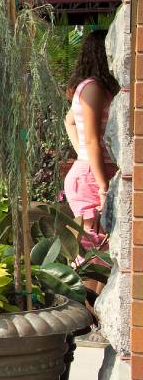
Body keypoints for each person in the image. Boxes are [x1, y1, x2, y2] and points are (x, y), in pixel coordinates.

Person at [63, 30, 120, 249]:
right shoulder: (93, 88)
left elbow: (69, 122)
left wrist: (82, 156)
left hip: (92, 173)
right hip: (92, 180)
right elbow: (93, 141)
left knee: (103, 253)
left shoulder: (96, 88)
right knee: (93, 253)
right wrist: (103, 188)